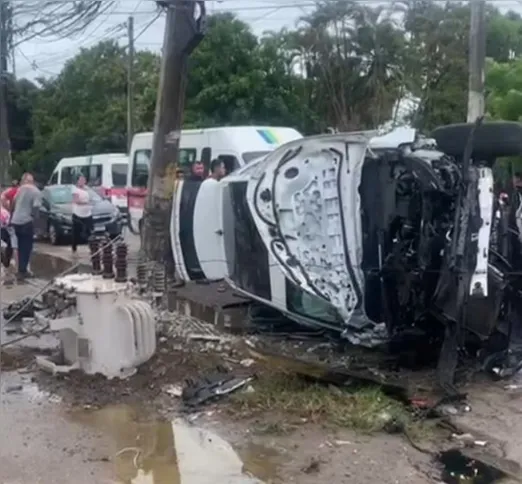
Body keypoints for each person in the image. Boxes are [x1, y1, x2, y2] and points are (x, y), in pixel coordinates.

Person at [10, 173, 41, 280]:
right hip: (26, 222)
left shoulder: (20, 189)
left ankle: (20, 270)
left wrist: (12, 216)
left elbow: (13, 203)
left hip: (15, 221)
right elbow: (36, 208)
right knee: (26, 247)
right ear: (33, 181)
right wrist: (34, 219)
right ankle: (23, 271)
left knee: (18, 246)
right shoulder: (35, 191)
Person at [71, 175, 93, 254]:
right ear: (78, 181)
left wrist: (90, 204)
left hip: (87, 213)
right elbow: (76, 201)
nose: (82, 182)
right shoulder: (75, 190)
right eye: (80, 180)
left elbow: (91, 198)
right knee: (76, 232)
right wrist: (85, 203)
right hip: (78, 214)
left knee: (90, 230)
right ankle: (74, 247)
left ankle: (91, 247)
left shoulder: (87, 189)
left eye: (83, 180)